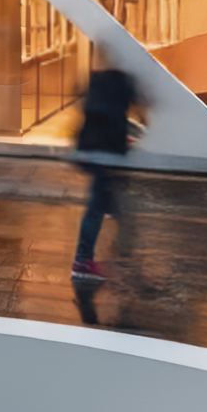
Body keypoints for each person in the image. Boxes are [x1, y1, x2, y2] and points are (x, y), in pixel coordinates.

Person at [71, 63, 145, 282]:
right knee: (95, 209)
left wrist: (122, 140)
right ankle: (82, 262)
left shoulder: (103, 81)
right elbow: (112, 122)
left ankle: (120, 243)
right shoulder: (118, 84)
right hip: (103, 156)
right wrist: (122, 144)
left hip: (95, 152)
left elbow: (102, 120)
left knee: (106, 201)